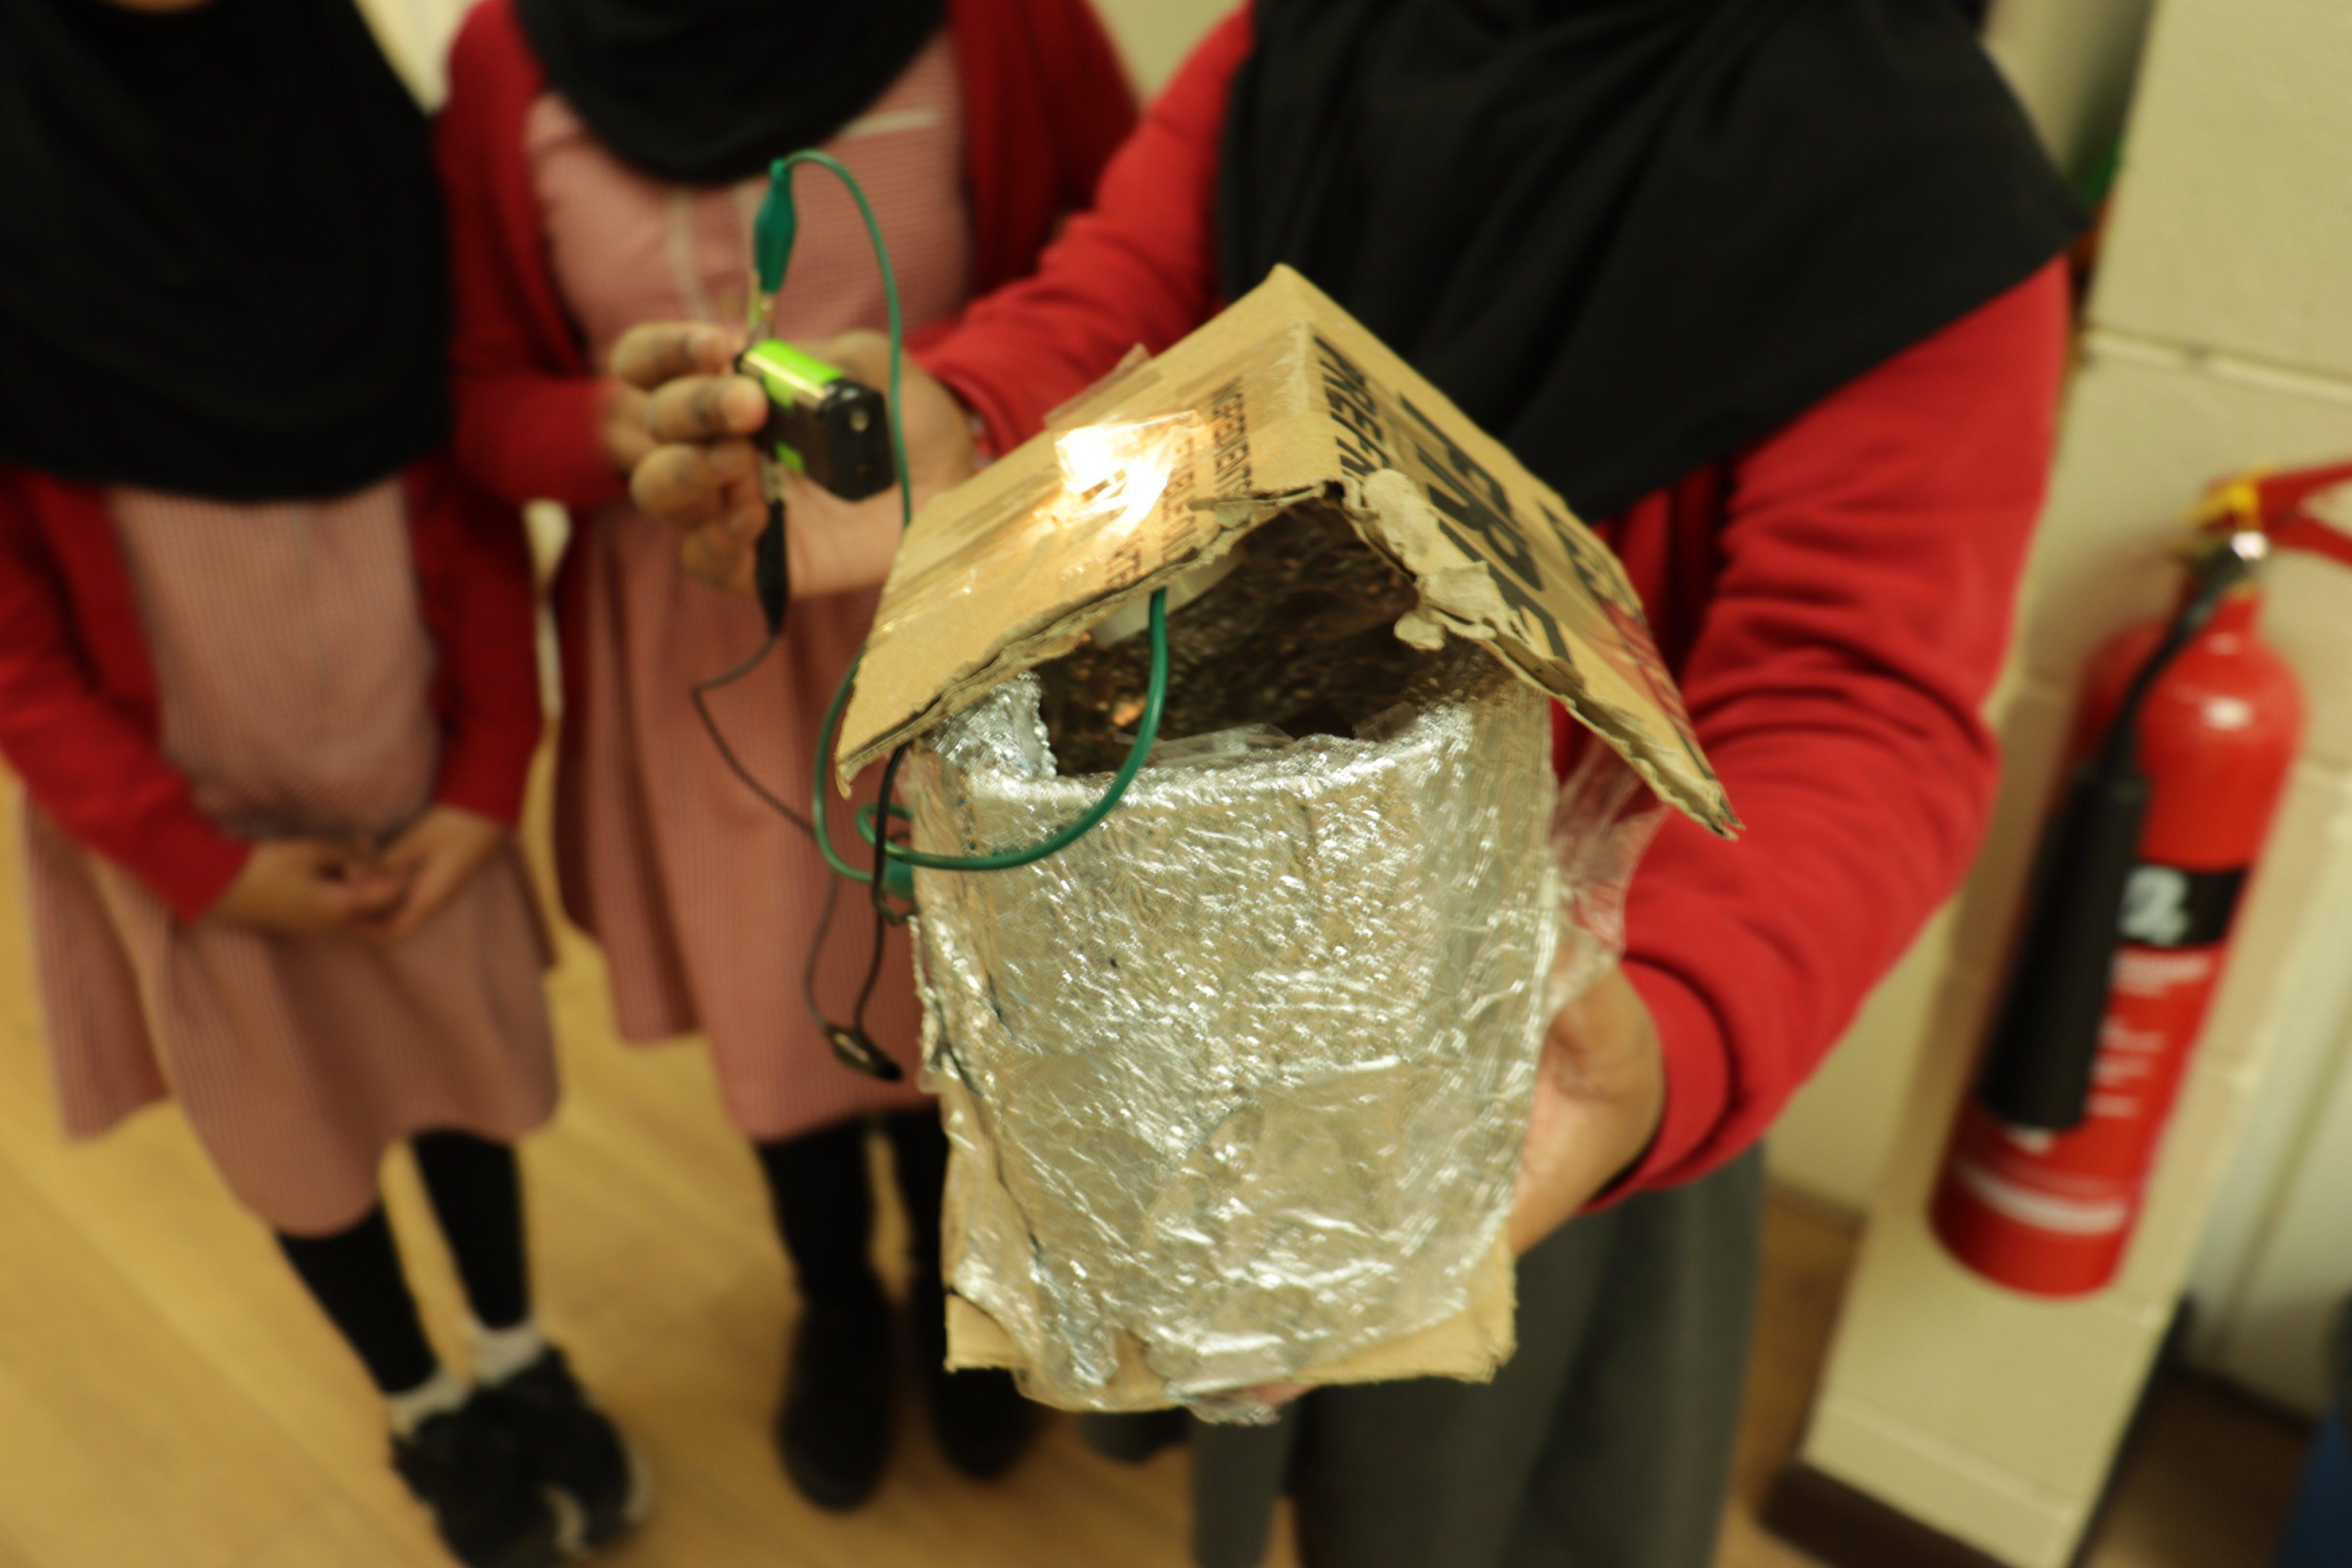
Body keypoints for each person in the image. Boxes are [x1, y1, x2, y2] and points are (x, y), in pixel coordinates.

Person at [614, 1, 2083, 1564]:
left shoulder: (1914, 172)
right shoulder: (1318, 32)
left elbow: (1857, 701)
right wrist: (957, 430)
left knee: (1447, 1502)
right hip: (1227, 946)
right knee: (1238, 1386)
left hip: (1562, 1020)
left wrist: (1671, 1017)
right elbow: (1140, 307)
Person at [432, 0, 1137, 1510]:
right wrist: (621, 431)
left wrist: (947, 413)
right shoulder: (508, 58)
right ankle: (837, 1305)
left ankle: (966, 1288)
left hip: (968, 610)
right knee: (777, 1002)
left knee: (975, 997)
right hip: (701, 637)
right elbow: (478, 398)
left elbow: (1135, 284)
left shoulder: (1005, 23)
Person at [0, 2, 645, 1565]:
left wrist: (483, 776)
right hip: (191, 825)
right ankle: (422, 1400)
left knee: (455, 1075)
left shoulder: (349, 131)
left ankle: (512, 1352)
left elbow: (457, 454)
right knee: (291, 1121)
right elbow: (11, 632)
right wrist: (196, 860)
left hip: (407, 770)